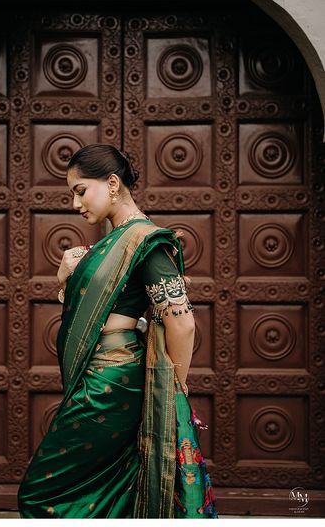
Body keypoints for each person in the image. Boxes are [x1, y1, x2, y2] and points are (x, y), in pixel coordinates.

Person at [17, 144, 217, 518]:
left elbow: (182, 320)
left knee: (39, 493)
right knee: (111, 489)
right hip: (100, 376)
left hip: (111, 379)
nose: (75, 205)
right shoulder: (111, 242)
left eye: (80, 191)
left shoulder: (146, 242)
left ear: (112, 183)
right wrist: (64, 278)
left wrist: (177, 384)